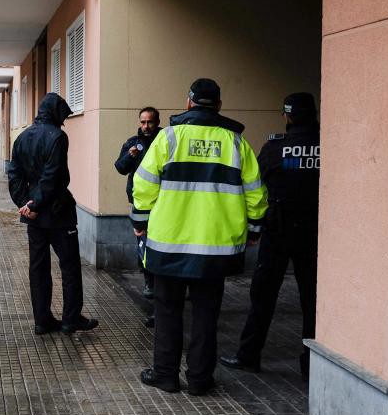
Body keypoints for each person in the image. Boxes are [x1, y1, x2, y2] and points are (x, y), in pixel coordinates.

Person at [134, 79, 267, 395]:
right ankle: (199, 379)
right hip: (216, 249)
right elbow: (256, 192)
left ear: (188, 103)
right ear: (219, 105)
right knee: (206, 314)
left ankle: (165, 375)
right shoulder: (236, 142)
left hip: (168, 244)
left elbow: (144, 184)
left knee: (167, 311)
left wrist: (140, 221)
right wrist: (254, 229)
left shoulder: (169, 137)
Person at [221, 92, 320, 378]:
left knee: (263, 296)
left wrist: (253, 225)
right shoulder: (329, 145)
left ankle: (249, 355)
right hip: (315, 233)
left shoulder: (276, 147)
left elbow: (255, 186)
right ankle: (312, 364)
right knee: (312, 300)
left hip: (278, 231)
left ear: (287, 115)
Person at [8, 93, 98, 336]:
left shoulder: (22, 137)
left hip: (34, 216)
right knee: (69, 267)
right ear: (56, 113)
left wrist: (25, 204)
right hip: (57, 213)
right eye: (63, 116)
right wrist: (34, 204)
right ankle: (70, 319)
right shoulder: (58, 137)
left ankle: (42, 320)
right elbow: (53, 177)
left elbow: (14, 175)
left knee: (38, 268)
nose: (64, 121)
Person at [114, 107, 162, 325]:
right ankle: (149, 281)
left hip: (163, 203)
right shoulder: (133, 143)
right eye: (142, 122)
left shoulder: (164, 140)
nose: (146, 126)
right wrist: (129, 156)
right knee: (143, 244)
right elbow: (120, 168)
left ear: (157, 122)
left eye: (149, 122)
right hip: (140, 203)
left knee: (159, 244)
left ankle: (163, 284)